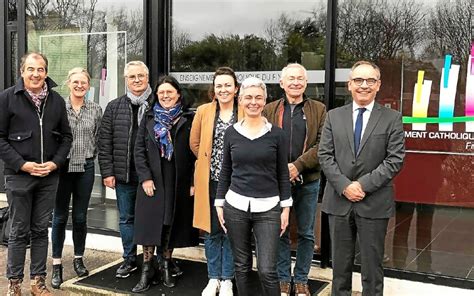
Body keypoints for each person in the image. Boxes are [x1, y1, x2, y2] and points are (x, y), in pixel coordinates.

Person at [318, 61, 405, 296]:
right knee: (340, 271)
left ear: (378, 85)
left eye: (370, 81)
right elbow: (324, 155)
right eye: (358, 80)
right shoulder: (333, 116)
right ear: (349, 85)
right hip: (339, 202)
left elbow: (394, 160)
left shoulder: (392, 118)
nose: (363, 85)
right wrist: (345, 186)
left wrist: (362, 185)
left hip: (374, 204)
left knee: (372, 271)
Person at [0, 52, 73, 295]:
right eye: (31, 69)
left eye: (40, 69)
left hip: (48, 176)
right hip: (19, 176)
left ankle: (38, 282)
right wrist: (22, 164)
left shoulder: (56, 101)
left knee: (41, 230)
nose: (36, 74)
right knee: (19, 230)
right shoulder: (7, 98)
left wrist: (55, 164)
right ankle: (14, 283)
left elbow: (66, 137)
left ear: (46, 73)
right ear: (22, 71)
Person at [215, 77, 292, 296]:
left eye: (258, 97)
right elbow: (226, 170)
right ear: (240, 100)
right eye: (248, 97)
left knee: (267, 270)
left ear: (265, 101)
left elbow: (282, 173)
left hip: (268, 208)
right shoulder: (231, 133)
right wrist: (220, 204)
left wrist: (285, 209)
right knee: (242, 266)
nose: (253, 102)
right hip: (235, 206)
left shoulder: (277, 134)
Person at [263, 63, 327, 296]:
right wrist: (282, 170)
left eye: (300, 78)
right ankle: (282, 278)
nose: (295, 82)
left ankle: (301, 279)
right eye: (291, 79)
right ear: (282, 83)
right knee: (280, 230)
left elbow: (323, 145)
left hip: (308, 180)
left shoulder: (319, 109)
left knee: (306, 233)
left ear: (306, 83)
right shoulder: (269, 110)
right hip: (276, 182)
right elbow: (262, 142)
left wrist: (298, 166)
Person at [132, 75, 199, 292]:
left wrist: (192, 181)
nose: (165, 95)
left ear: (178, 94)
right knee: (149, 225)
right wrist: (145, 177)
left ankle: (166, 265)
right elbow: (139, 150)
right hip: (153, 181)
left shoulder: (187, 119)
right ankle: (147, 268)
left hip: (177, 180)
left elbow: (194, 153)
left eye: (169, 92)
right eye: (161, 92)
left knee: (171, 223)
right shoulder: (149, 118)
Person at [98, 61, 154, 278]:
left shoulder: (157, 104)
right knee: (126, 219)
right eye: (132, 77)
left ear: (147, 78)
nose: (137, 80)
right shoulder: (114, 106)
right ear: (126, 80)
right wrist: (108, 172)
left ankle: (153, 261)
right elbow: (105, 143)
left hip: (152, 176)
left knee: (151, 219)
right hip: (124, 175)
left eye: (141, 76)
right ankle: (129, 259)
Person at [190, 66, 243, 296]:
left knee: (231, 230)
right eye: (219, 85)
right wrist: (207, 161)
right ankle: (213, 278)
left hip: (238, 183)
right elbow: (194, 143)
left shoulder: (244, 110)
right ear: (214, 89)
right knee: (212, 231)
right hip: (210, 181)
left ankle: (228, 279)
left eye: (227, 85)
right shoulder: (203, 111)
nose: (223, 89)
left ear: (236, 88)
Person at [50, 67, 103, 289]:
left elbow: (98, 137)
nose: (80, 85)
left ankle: (79, 258)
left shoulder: (95, 109)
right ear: (68, 83)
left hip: (86, 167)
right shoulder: (58, 107)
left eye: (84, 82)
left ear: (89, 85)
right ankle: (56, 264)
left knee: (80, 217)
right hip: (62, 169)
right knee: (60, 217)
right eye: (76, 82)